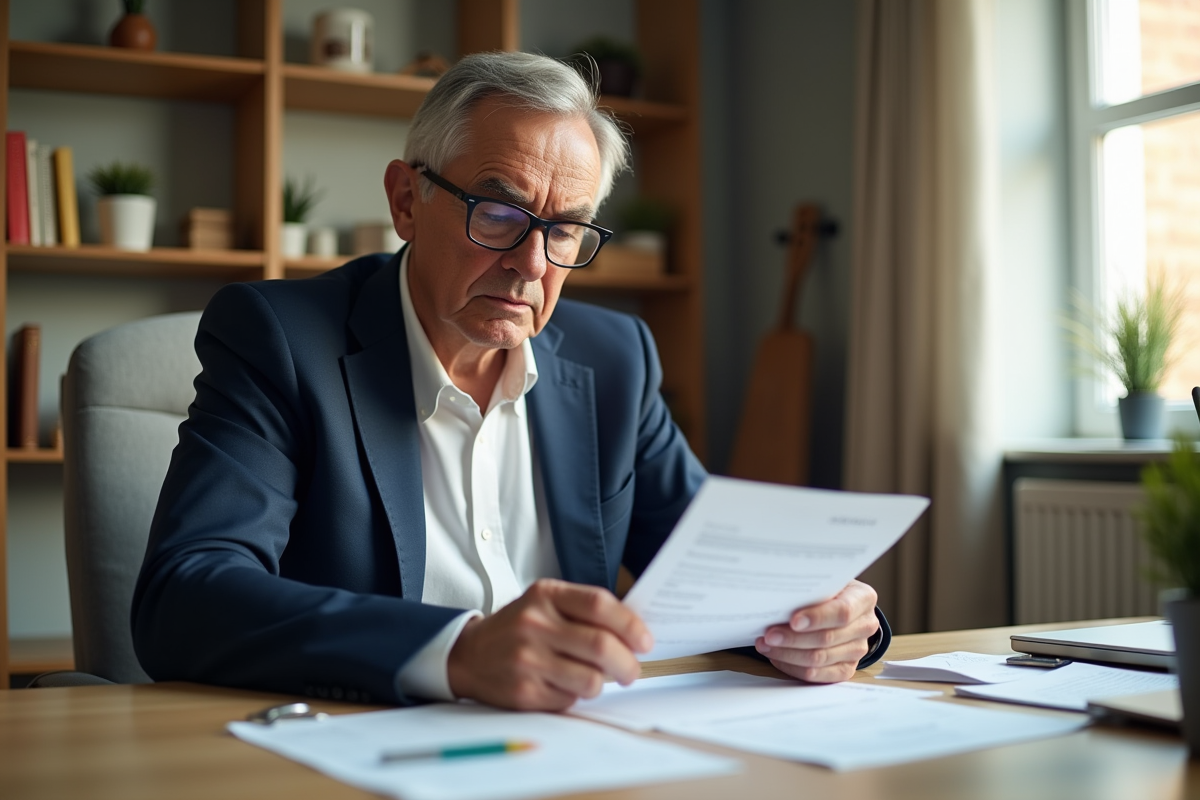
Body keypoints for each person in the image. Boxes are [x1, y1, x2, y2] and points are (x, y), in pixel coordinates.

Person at [132, 51, 887, 710]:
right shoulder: (280, 339)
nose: (532, 264)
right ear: (405, 201)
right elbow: (184, 596)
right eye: (498, 212)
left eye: (565, 229)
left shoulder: (615, 359)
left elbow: (724, 572)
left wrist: (832, 621)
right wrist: (455, 653)